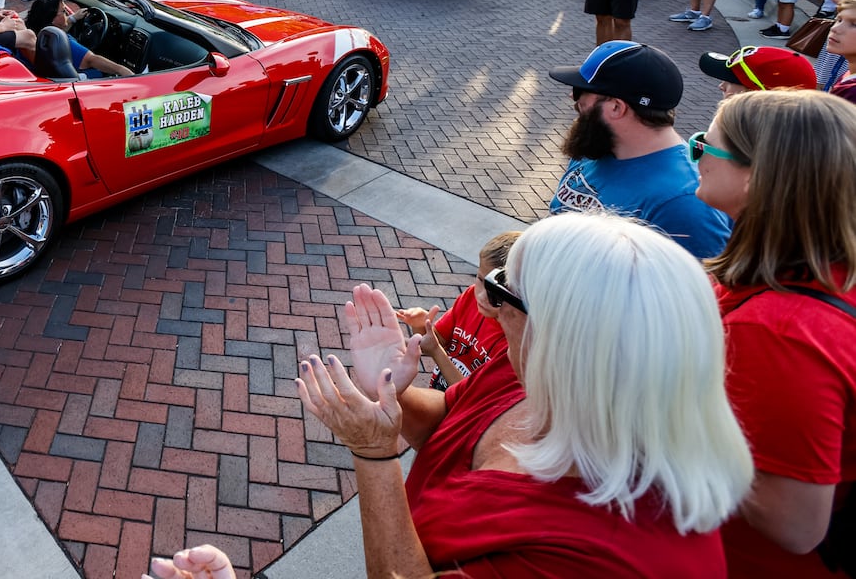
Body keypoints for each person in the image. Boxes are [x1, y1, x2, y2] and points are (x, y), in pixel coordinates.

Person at [285, 212, 752, 578]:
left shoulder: (610, 551)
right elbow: (449, 422)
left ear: (562, 332)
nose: (491, 306)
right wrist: (389, 391)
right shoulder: (534, 371)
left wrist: (373, 455)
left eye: (505, 290)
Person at [690, 91, 856, 577]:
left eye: (707, 144)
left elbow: (794, 523)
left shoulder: (779, 333)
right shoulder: (824, 273)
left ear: (761, 176)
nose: (694, 152)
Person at [548, 40, 732, 258]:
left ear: (616, 107)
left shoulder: (684, 203)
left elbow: (697, 289)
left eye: (580, 91)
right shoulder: (597, 143)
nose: (572, 97)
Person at [397, 230, 516, 391]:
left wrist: (436, 351)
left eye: (495, 290)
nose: (481, 295)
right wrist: (419, 327)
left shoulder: (515, 344)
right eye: (480, 279)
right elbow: (434, 341)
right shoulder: (470, 298)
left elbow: (471, 397)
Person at [22, 0, 133, 78]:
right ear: (52, 19)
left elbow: (60, 27)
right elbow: (91, 60)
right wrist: (121, 70)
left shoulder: (34, 35)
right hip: (76, 82)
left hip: (47, 77)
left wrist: (73, 19)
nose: (67, 13)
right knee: (100, 73)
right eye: (64, 11)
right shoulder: (61, 41)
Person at [824, 0, 856, 103]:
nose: (835, 28)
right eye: (839, 20)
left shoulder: (853, 91)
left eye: (854, 24)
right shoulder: (850, 74)